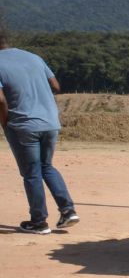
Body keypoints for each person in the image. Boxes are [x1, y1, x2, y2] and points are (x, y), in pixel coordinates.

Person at [0, 27, 78, 234]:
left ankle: (39, 221)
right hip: (50, 121)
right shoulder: (34, 57)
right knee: (47, 167)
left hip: (23, 124)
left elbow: (0, 99)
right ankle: (68, 210)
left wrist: (5, 121)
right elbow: (56, 85)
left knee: (31, 172)